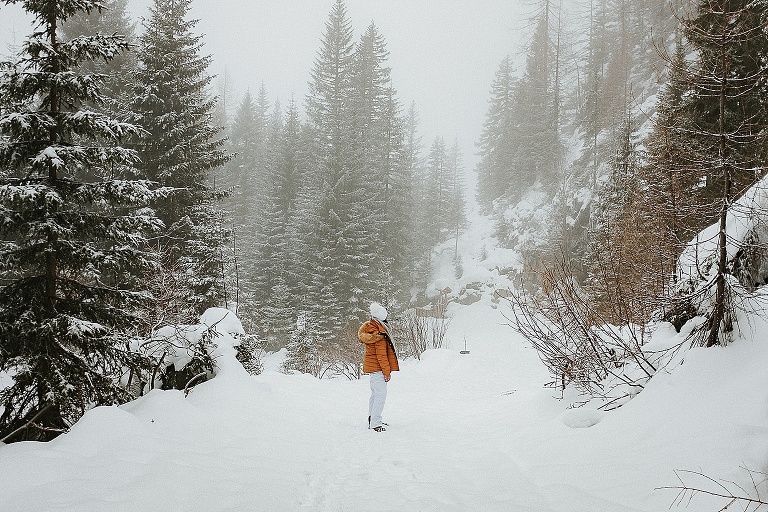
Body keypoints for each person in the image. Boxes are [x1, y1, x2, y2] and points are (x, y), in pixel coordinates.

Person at [358, 302, 399, 432]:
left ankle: (373, 419)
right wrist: (387, 372)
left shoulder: (371, 328)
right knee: (380, 396)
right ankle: (375, 423)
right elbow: (381, 355)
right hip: (378, 369)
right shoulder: (378, 334)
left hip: (374, 368)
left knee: (375, 395)